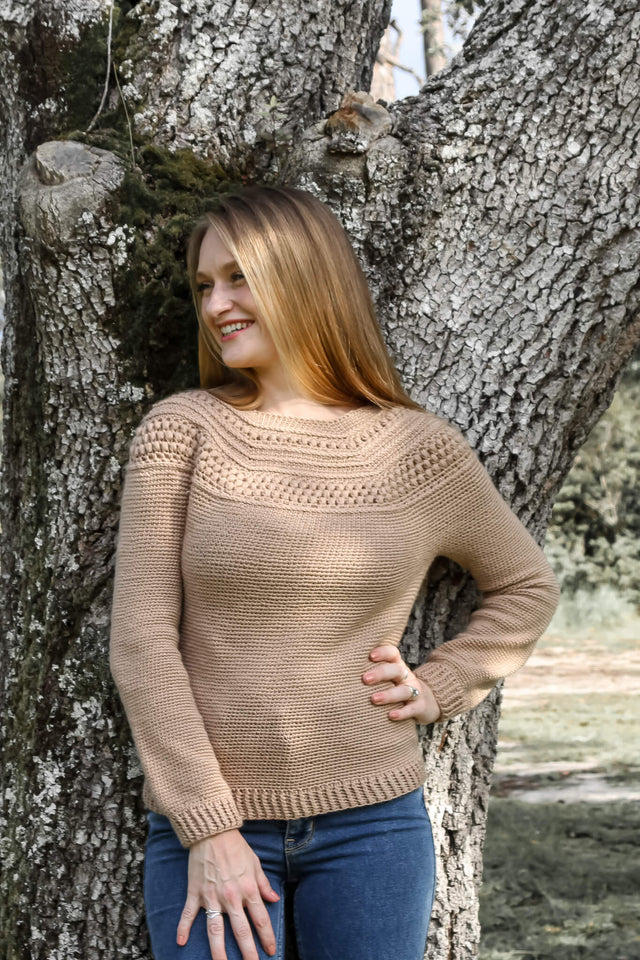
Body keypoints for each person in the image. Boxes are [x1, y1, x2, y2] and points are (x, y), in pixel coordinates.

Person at [109, 184, 561, 960]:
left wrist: (442, 685)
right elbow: (142, 643)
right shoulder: (183, 432)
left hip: (373, 828)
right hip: (211, 828)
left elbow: (526, 586)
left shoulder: (418, 450)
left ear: (305, 278)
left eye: (239, 277)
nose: (216, 305)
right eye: (204, 285)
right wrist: (209, 826)